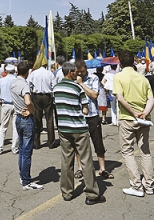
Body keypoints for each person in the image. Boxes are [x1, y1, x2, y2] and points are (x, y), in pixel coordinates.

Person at [53, 61, 105, 205]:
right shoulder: (77, 88)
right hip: (79, 128)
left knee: (66, 161)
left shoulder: (56, 88)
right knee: (86, 161)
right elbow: (85, 109)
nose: (77, 74)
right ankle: (92, 194)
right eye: (75, 72)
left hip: (64, 129)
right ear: (70, 72)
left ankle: (67, 192)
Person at [115, 51, 154, 197]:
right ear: (133, 62)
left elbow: (120, 98)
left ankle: (136, 185)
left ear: (120, 62)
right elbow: (151, 99)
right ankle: (149, 185)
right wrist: (144, 112)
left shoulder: (119, 77)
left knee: (127, 151)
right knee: (145, 151)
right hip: (144, 118)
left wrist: (133, 112)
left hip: (127, 117)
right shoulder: (143, 78)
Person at [75, 59, 112, 179]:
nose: (80, 74)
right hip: (79, 116)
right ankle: (80, 168)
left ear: (85, 69)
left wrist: (81, 84)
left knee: (98, 142)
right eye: (78, 72)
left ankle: (102, 168)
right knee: (79, 144)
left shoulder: (93, 78)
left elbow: (94, 95)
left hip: (92, 115)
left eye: (82, 71)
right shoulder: (73, 78)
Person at [12, 61, 42, 190]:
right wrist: (32, 109)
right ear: (28, 72)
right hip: (26, 118)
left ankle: (22, 175)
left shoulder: (13, 82)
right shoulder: (24, 85)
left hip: (18, 116)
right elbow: (28, 100)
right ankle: (26, 180)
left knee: (22, 149)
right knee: (27, 151)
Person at [27, 62, 56, 149]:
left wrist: (31, 92)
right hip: (47, 96)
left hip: (37, 96)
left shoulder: (33, 73)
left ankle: (36, 143)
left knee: (37, 119)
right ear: (46, 65)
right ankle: (51, 142)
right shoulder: (49, 73)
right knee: (49, 119)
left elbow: (29, 84)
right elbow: (54, 85)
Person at [0, 64, 19, 155]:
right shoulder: (16, 80)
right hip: (15, 105)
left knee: (3, 127)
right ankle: (14, 148)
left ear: (6, 71)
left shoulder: (2, 80)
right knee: (15, 127)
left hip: (5, 104)